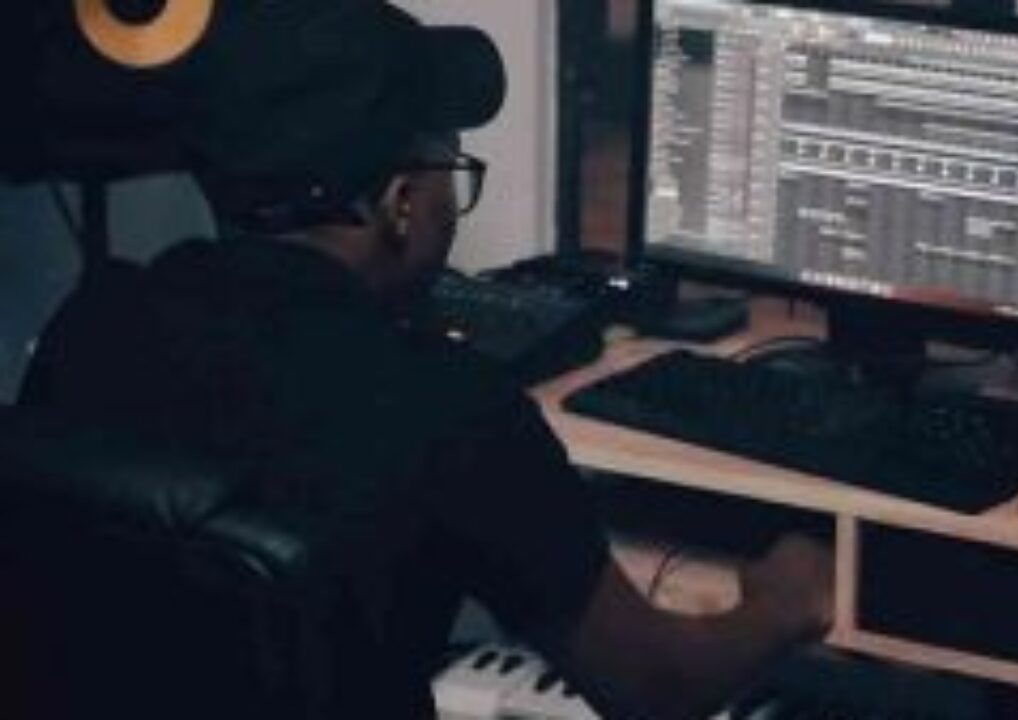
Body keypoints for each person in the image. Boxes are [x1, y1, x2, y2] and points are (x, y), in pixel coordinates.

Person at [25, 2, 834, 718]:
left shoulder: (93, 324)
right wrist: (781, 604)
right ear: (402, 206)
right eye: (450, 167)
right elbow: (658, 688)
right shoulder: (448, 409)